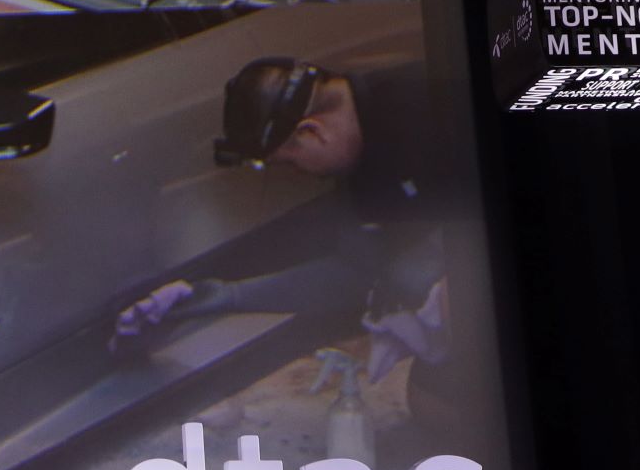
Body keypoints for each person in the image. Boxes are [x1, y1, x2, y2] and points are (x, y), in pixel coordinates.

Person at [110, 60, 449, 382]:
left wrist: (436, 256)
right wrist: (225, 295)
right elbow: (355, 270)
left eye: (290, 162)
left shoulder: (430, 102)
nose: (301, 173)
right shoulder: (363, 156)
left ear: (312, 132)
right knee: (428, 400)